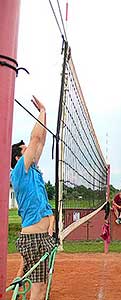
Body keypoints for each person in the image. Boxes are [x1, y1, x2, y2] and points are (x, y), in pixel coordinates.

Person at [10, 96, 56, 300]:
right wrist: (42, 111)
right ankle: (17, 283)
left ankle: (16, 282)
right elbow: (35, 139)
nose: (31, 151)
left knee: (41, 284)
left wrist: (44, 116)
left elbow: (41, 141)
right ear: (18, 158)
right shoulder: (20, 170)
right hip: (33, 238)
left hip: (40, 237)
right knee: (38, 288)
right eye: (25, 150)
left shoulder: (34, 171)